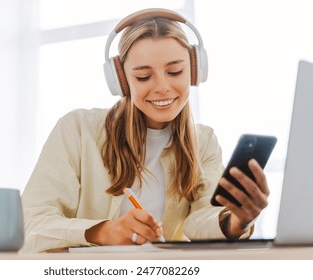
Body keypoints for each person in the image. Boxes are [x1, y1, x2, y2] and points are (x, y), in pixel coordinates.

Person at [20, 8, 269, 253]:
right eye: (143, 77)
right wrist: (104, 231)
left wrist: (235, 221)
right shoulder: (76, 130)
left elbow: (202, 217)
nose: (162, 87)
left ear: (195, 70)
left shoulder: (204, 142)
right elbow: (32, 223)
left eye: (175, 72)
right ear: (120, 80)